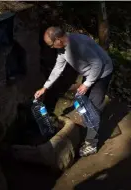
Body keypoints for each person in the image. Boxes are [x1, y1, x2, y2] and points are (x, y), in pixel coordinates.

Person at [34, 26, 113, 157]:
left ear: (58, 39)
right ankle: (89, 129)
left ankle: (91, 144)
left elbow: (97, 64)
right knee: (83, 103)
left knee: (93, 108)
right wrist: (45, 87)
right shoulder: (62, 49)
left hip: (103, 72)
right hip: (90, 73)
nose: (50, 47)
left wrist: (87, 84)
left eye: (51, 44)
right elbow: (57, 68)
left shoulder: (78, 45)